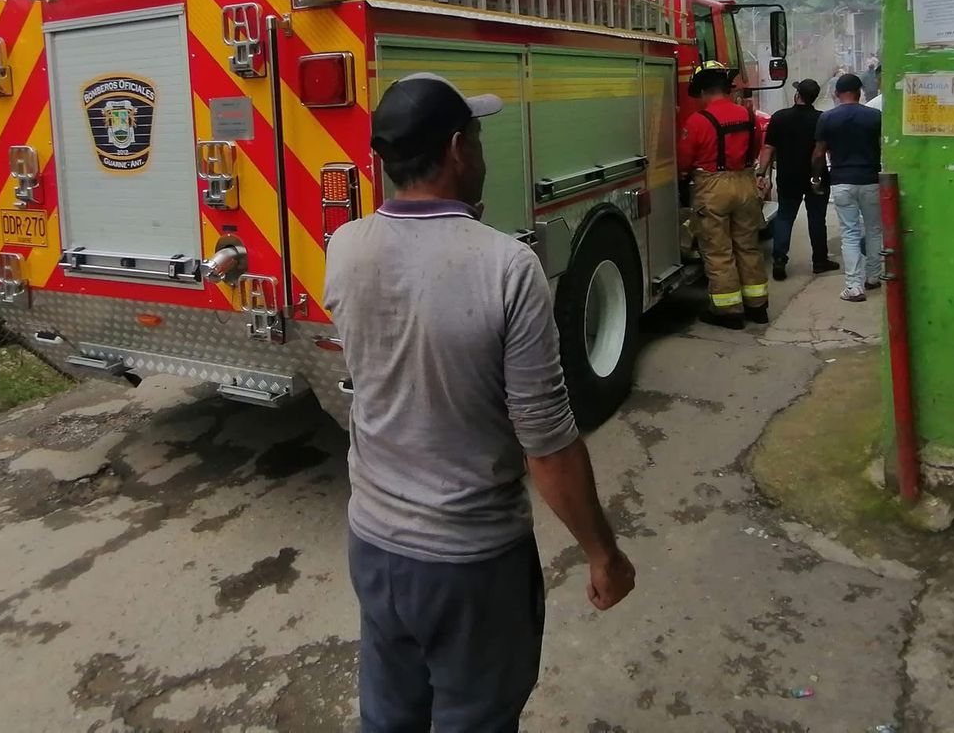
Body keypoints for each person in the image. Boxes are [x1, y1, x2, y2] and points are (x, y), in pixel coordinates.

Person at [325, 72, 635, 732]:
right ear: (457, 150)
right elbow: (546, 443)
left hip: (374, 547)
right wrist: (602, 552)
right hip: (471, 566)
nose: (483, 152)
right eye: (479, 137)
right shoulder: (506, 266)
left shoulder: (344, 247)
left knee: (389, 718)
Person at [678, 61, 768, 329]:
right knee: (748, 246)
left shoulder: (697, 121)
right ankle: (757, 306)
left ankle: (729, 312)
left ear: (703, 91)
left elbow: (684, 161)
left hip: (713, 187)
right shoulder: (747, 116)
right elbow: (755, 149)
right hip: (745, 183)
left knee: (719, 251)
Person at [756, 79, 840, 282]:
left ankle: (779, 260)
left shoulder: (780, 117)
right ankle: (819, 261)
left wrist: (761, 173)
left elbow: (768, 148)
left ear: (797, 95)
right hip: (816, 176)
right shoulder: (822, 119)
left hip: (788, 176)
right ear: (814, 98)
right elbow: (826, 151)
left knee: (785, 217)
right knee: (817, 219)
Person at [812, 72, 883, 303]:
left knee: (850, 234)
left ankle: (854, 286)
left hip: (842, 181)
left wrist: (816, 178)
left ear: (836, 93)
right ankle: (873, 277)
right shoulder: (875, 116)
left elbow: (819, 153)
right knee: (873, 230)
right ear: (859, 92)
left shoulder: (827, 118)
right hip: (871, 180)